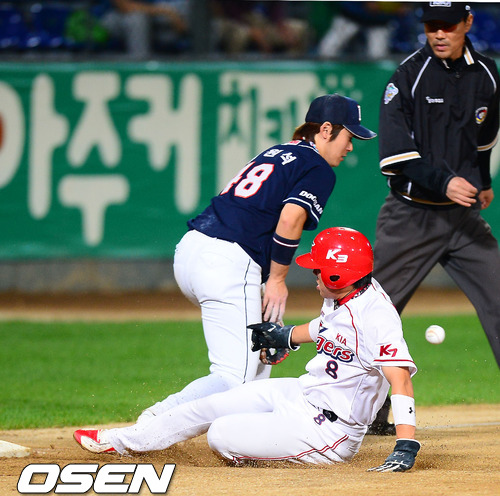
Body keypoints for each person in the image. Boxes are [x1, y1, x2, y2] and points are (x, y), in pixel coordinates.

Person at [74, 227, 420, 471]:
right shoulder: (348, 292)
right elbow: (327, 327)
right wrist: (286, 336)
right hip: (302, 393)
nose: (314, 273)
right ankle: (122, 441)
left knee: (221, 435)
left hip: (330, 430)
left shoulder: (376, 316)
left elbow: (400, 380)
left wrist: (405, 444)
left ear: (336, 277)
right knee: (211, 405)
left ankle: (278, 452)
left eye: (318, 269)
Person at [134, 94, 377, 425]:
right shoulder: (317, 166)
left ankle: (238, 437)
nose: (350, 147)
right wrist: (276, 280)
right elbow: (290, 219)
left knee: (256, 365)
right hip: (227, 261)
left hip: (192, 250)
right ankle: (154, 422)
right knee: (234, 377)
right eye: (349, 136)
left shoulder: (278, 152)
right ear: (325, 130)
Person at [370, 2, 500, 436]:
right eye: (431, 25)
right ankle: (364, 414)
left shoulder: (487, 74)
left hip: (463, 221)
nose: (439, 33)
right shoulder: (408, 76)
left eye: (448, 25)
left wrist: (482, 180)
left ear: (468, 22)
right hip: (411, 217)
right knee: (374, 313)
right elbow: (395, 154)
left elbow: (483, 139)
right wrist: (445, 181)